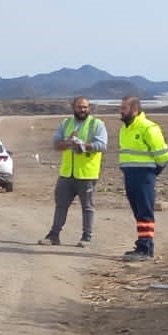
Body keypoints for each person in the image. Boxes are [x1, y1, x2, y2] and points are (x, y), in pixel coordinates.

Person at [38, 96, 106, 247]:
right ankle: (53, 236)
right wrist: (69, 142)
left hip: (87, 173)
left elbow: (102, 145)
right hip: (67, 174)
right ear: (73, 107)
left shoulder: (97, 124)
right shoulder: (66, 123)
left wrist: (84, 146)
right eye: (79, 107)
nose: (83, 110)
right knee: (61, 205)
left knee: (87, 207)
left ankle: (86, 237)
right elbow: (56, 144)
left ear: (89, 108)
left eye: (85, 107)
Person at [115, 96, 168, 260]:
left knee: (145, 212)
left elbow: (163, 156)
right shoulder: (125, 128)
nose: (121, 111)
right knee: (138, 212)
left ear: (134, 109)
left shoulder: (149, 128)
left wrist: (151, 174)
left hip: (144, 175)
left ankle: (145, 249)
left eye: (124, 108)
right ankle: (144, 245)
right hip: (130, 175)